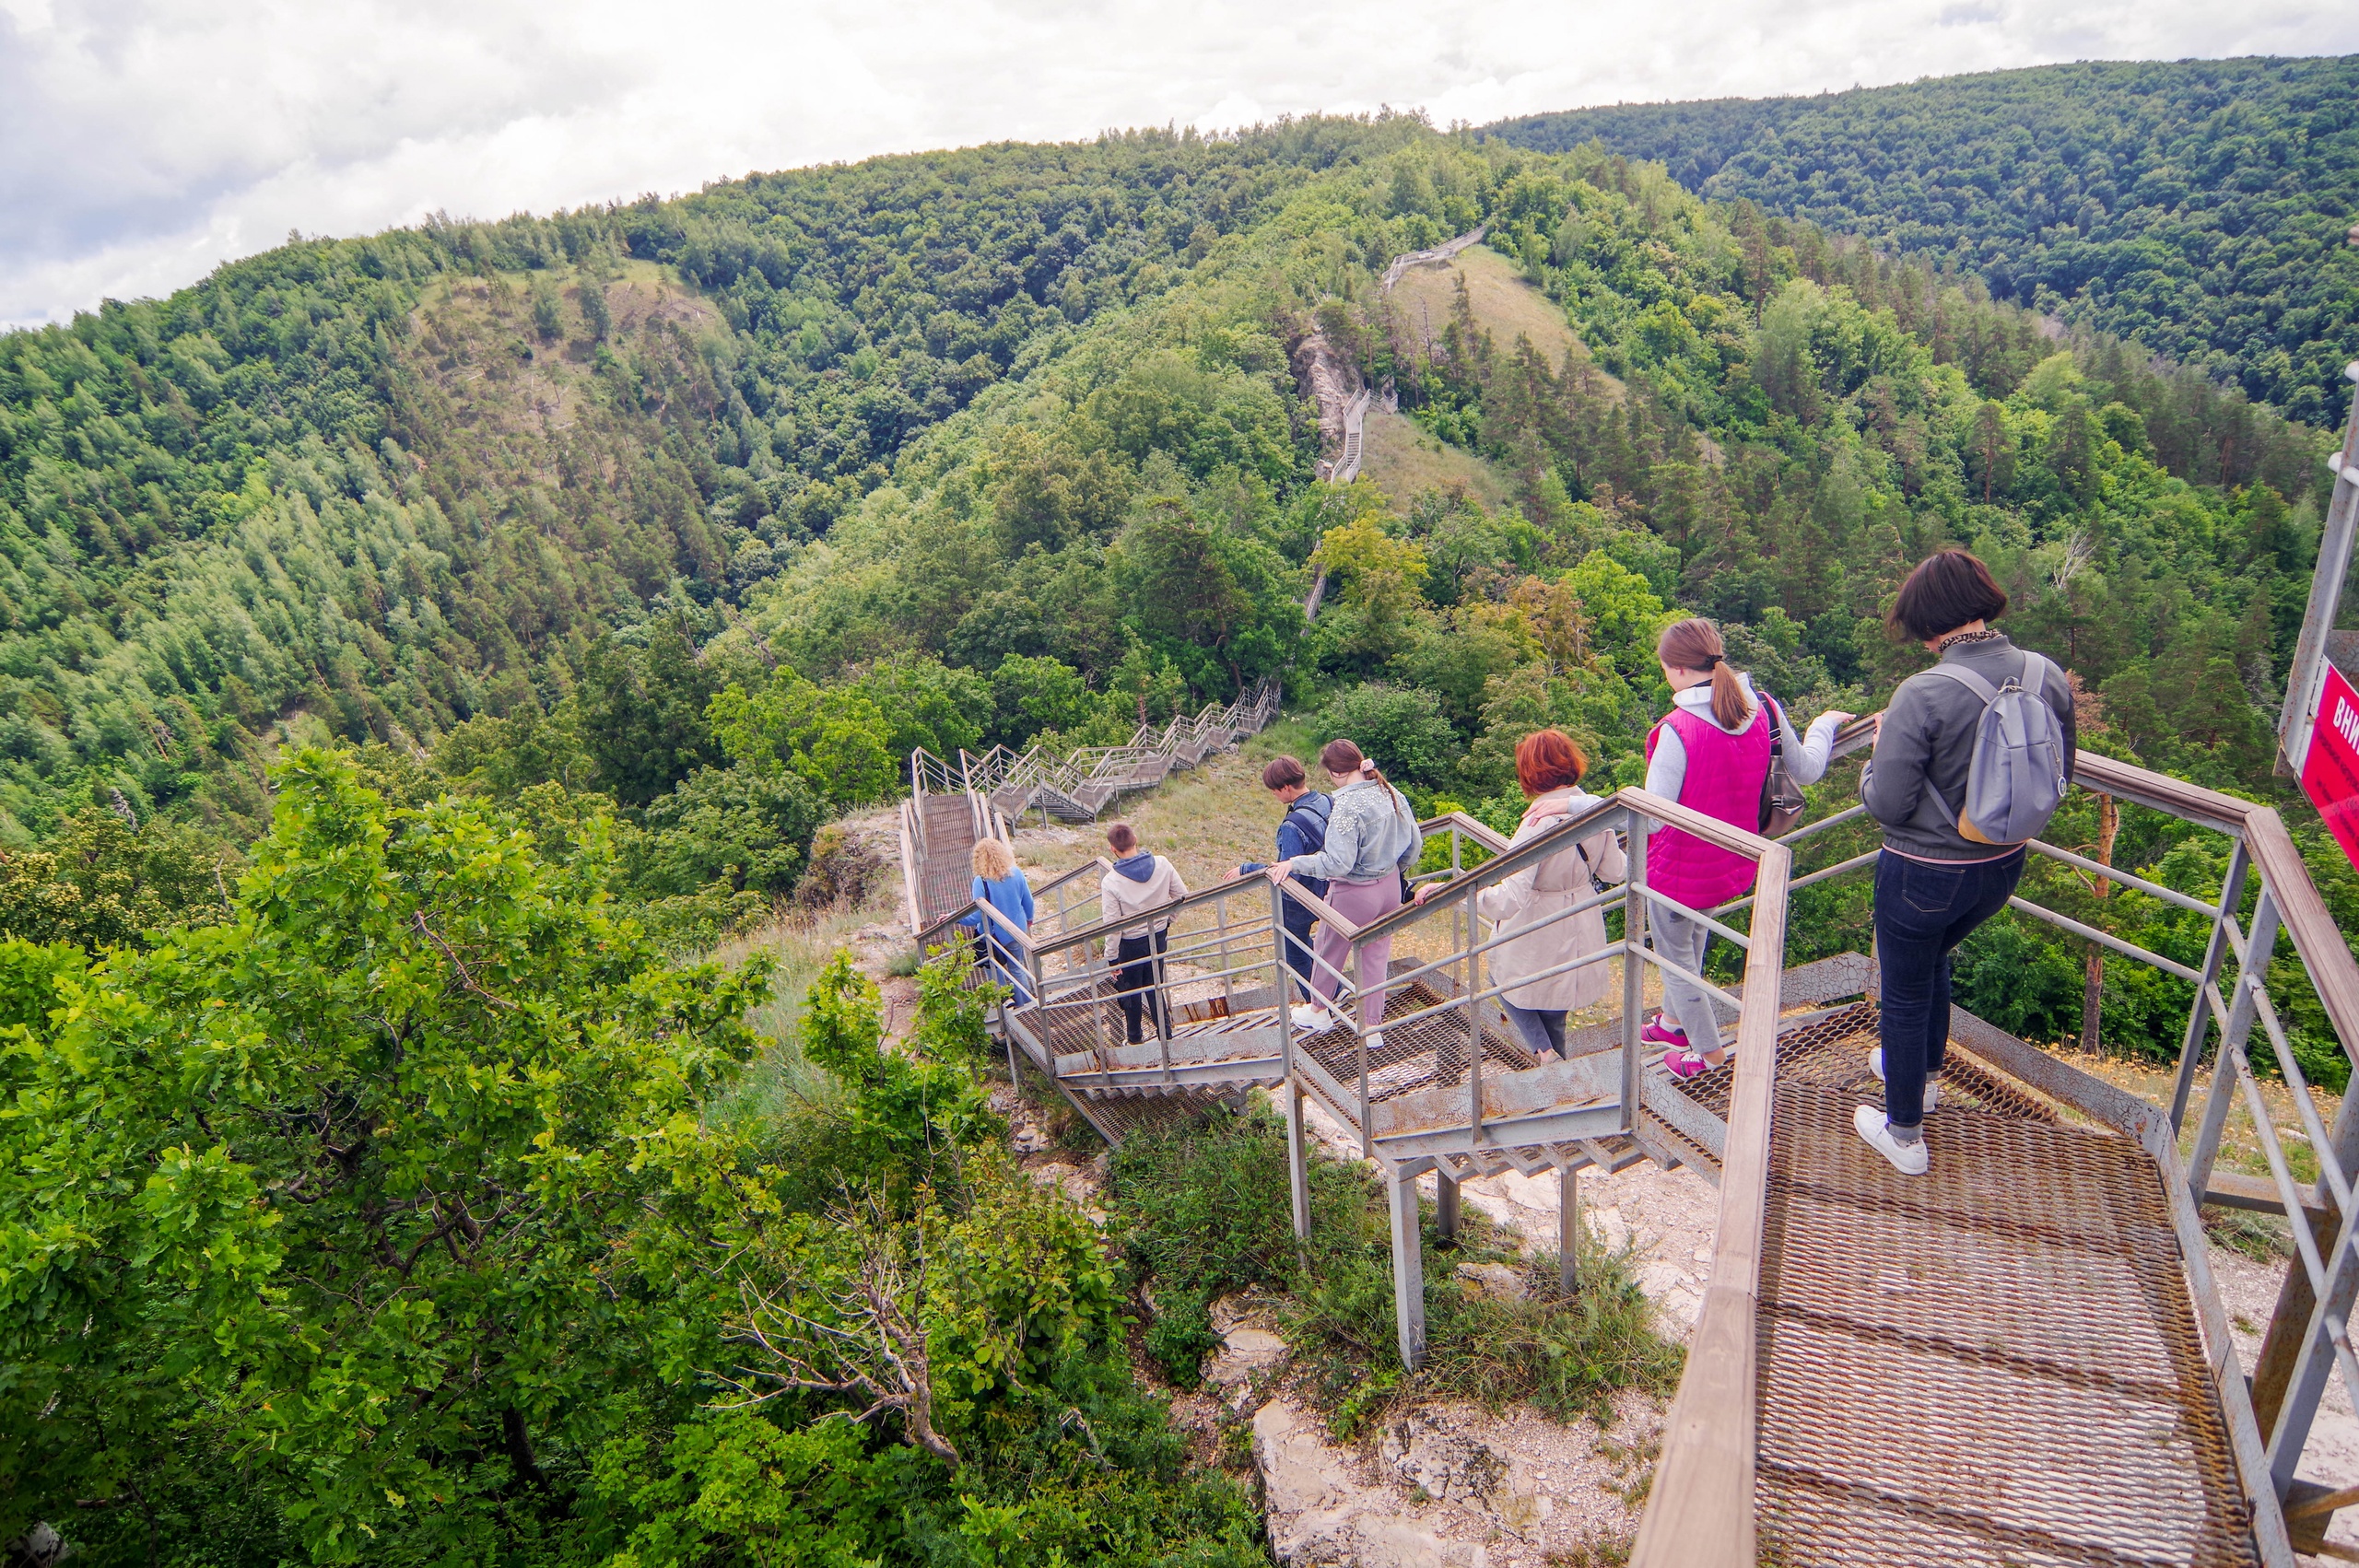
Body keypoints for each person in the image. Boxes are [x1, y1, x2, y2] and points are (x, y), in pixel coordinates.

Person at [1854, 550, 2075, 1175]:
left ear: (1928, 621)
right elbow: (2063, 772)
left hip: (1924, 872)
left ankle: (1904, 1135)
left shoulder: (1923, 693)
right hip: (2001, 868)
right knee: (1934, 963)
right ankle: (1920, 1076)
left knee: (1902, 990)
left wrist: (1873, 761)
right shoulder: (2045, 674)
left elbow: (1889, 803)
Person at [1642, 617, 1850, 1080]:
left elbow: (1653, 816)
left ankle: (1708, 1055)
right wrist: (1822, 725)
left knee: (1675, 960)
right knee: (1692, 939)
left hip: (1677, 869)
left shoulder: (1677, 730)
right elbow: (1809, 770)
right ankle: (1673, 1024)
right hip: (1732, 859)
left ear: (1675, 670)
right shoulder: (1763, 708)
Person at [1472, 731, 1626, 1059]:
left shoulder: (1537, 821)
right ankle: (1557, 1061)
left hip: (1538, 916)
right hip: (1580, 912)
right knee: (1556, 995)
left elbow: (1508, 899)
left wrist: (1470, 895)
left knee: (1503, 979)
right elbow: (1615, 872)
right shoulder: (1593, 808)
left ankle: (1545, 1054)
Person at [1266, 739, 1422, 1046]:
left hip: (1355, 891)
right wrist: (1395, 871)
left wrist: (1294, 862)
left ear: (1336, 774)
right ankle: (1372, 1027)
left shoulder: (1346, 806)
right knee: (1375, 957)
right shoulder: (1389, 791)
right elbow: (1413, 844)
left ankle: (1318, 1009)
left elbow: (1338, 862)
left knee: (1328, 948)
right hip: (1390, 886)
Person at [1227, 756, 1334, 1031]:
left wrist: (1248, 868)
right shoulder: (1325, 801)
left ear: (1286, 788)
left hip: (1298, 898)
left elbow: (1288, 871)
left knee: (1294, 948)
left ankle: (1317, 1006)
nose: (1274, 795)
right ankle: (1330, 991)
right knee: (1310, 944)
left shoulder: (1291, 825)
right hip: (1328, 890)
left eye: (1274, 790)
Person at [1100, 822, 1188, 1045]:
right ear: (1135, 839)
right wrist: (1169, 919)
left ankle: (1135, 1041)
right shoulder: (1162, 864)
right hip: (1157, 936)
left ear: (1112, 849)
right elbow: (1182, 894)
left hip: (1130, 944)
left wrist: (1112, 957)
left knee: (1131, 993)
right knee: (1155, 986)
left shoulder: (1111, 881)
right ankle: (1166, 1036)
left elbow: (1112, 924)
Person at [958, 838, 1036, 1006]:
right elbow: (1028, 901)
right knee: (1017, 968)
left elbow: (977, 915)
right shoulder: (1016, 873)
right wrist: (1029, 920)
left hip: (994, 937)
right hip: (1016, 932)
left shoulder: (981, 881)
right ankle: (1027, 1006)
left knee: (994, 970)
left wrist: (956, 917)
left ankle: (1006, 1005)